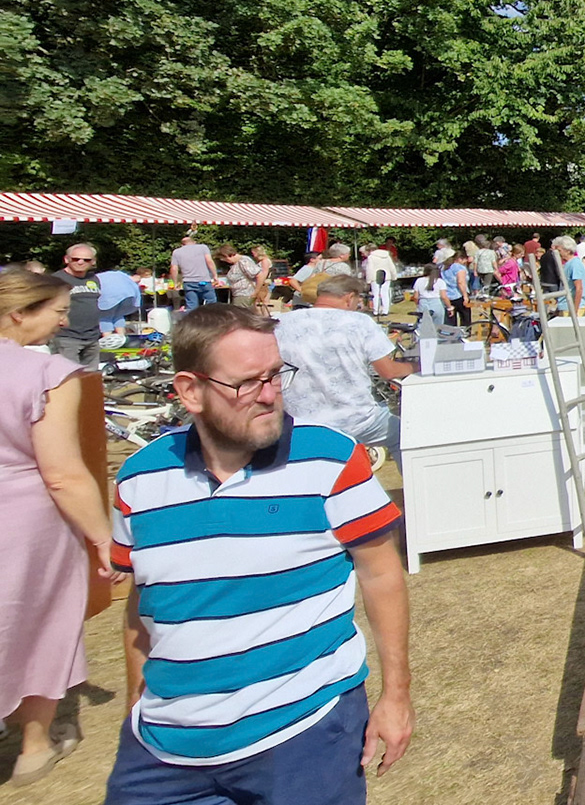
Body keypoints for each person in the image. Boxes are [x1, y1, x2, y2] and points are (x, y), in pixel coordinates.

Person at [106, 305, 412, 802]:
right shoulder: (140, 478)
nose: (269, 395)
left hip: (306, 734)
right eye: (247, 383)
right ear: (189, 391)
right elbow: (143, 607)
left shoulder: (329, 460)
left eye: (275, 375)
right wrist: (133, 706)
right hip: (163, 749)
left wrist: (395, 694)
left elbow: (382, 575)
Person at [1, 269, 116, 786]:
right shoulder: (49, 373)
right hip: (26, 520)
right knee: (41, 621)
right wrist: (103, 538)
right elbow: (64, 473)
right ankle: (34, 743)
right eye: (57, 311)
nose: (64, 322)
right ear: (18, 313)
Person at [277, 274, 411, 453]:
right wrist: (416, 366)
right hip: (355, 420)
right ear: (349, 298)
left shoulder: (280, 323)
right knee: (406, 436)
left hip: (301, 423)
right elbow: (388, 371)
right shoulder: (360, 322)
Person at [49, 242, 103, 369]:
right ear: (66, 259)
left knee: (90, 377)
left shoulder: (93, 279)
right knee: (68, 374)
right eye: (75, 259)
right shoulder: (56, 280)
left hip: (92, 336)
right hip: (66, 337)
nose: (80, 262)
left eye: (86, 260)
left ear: (93, 262)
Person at [169, 232, 217, 312]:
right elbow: (209, 261)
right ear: (194, 242)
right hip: (204, 280)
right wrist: (215, 275)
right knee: (211, 304)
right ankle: (212, 318)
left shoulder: (176, 252)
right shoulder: (203, 247)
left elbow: (174, 268)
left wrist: (175, 283)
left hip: (189, 282)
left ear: (182, 244)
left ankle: (193, 319)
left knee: (191, 305)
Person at [216, 244, 261, 313]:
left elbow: (259, 275)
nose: (225, 261)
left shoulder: (243, 261)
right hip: (239, 295)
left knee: (240, 316)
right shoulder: (237, 263)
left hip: (244, 294)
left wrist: (256, 291)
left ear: (228, 255)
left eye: (224, 259)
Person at [412, 264, 451, 331]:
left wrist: (418, 304)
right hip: (437, 304)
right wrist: (449, 307)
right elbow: (444, 296)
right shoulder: (440, 281)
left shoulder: (419, 281)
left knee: (422, 327)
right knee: (437, 328)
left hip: (423, 303)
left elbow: (415, 297)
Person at [362, 243, 397, 317]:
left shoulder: (371, 257)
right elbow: (392, 267)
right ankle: (385, 311)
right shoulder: (386, 256)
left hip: (375, 277)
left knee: (376, 294)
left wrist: (368, 280)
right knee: (385, 294)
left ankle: (376, 311)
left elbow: (369, 269)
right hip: (386, 276)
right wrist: (394, 276)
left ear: (370, 250)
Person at [443, 251, 473, 328]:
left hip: (447, 295)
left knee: (450, 318)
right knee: (465, 317)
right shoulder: (459, 268)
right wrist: (465, 296)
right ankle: (465, 332)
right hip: (458, 294)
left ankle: (452, 332)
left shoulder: (444, 267)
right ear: (460, 259)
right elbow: (460, 282)